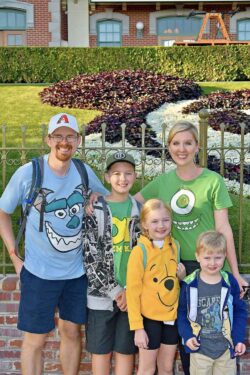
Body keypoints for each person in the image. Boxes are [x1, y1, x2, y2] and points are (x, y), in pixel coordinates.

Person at [134, 120, 248, 374]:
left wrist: (236, 273)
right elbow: (131, 204)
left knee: (213, 334)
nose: (181, 149)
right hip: (177, 270)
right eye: (176, 143)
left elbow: (223, 228)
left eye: (187, 143)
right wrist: (101, 196)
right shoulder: (162, 183)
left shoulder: (212, 181)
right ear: (169, 146)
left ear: (197, 146)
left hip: (209, 267)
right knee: (187, 335)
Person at [0, 113, 108, 375]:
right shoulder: (29, 173)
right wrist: (14, 256)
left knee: (71, 331)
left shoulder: (84, 171)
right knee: (35, 339)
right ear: (48, 139)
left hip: (77, 271)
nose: (64, 141)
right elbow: (3, 211)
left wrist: (96, 197)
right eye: (58, 136)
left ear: (78, 140)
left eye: (70, 136)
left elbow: (108, 201)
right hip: (39, 272)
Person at [84, 151, 140, 375]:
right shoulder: (95, 209)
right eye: (116, 173)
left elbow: (145, 253)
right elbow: (90, 257)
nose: (122, 178)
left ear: (135, 176)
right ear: (107, 177)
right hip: (100, 297)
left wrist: (128, 290)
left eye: (128, 173)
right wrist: (116, 290)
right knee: (101, 351)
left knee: (125, 350)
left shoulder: (139, 210)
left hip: (131, 295)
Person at [126, 199, 186, 375]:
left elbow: (172, 282)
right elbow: (133, 293)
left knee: (166, 369)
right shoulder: (139, 252)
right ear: (145, 225)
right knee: (147, 369)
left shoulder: (175, 246)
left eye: (165, 220)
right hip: (148, 320)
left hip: (171, 318)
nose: (161, 225)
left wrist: (181, 277)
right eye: (154, 221)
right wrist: (138, 328)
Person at [177, 230, 247, 375]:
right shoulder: (190, 284)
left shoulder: (229, 282)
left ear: (225, 257)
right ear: (197, 257)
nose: (212, 263)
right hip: (200, 350)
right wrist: (188, 336)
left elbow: (240, 311)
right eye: (207, 258)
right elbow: (182, 313)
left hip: (226, 350)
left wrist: (239, 339)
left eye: (218, 258)